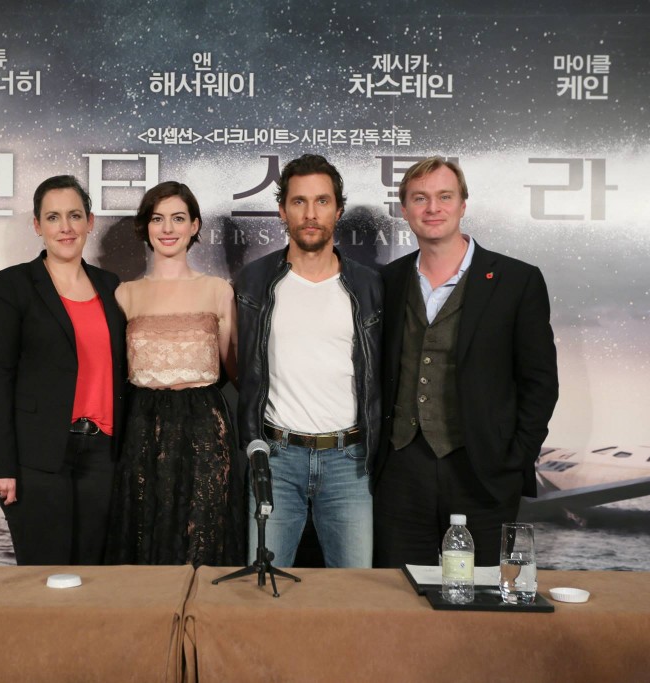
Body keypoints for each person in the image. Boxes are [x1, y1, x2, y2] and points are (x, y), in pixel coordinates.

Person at [374, 156, 559, 567]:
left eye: (444, 197)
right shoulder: (386, 281)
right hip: (401, 469)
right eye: (420, 198)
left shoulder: (517, 280)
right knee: (399, 598)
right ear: (404, 210)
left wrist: (515, 458)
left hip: (483, 471)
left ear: (463, 205)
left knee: (480, 604)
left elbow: (540, 381)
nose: (432, 208)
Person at [235, 154, 382, 568]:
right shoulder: (255, 281)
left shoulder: (369, 286)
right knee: (265, 590)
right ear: (283, 210)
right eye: (299, 202)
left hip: (349, 463)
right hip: (276, 460)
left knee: (355, 594)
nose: (311, 213)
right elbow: (239, 365)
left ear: (338, 209)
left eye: (322, 201)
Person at [0, 175, 127, 565]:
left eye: (75, 215)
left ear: (90, 222)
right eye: (54, 217)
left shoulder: (111, 286)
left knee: (96, 575)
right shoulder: (13, 285)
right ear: (37, 225)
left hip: (103, 455)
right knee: (43, 575)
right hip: (38, 457)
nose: (66, 227)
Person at [105, 181, 244, 566]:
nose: (168, 229)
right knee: (142, 531)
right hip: (141, 425)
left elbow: (232, 370)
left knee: (204, 532)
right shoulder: (124, 294)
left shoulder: (219, 290)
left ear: (195, 226)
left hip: (203, 425)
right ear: (145, 228)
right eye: (158, 219)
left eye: (178, 218)